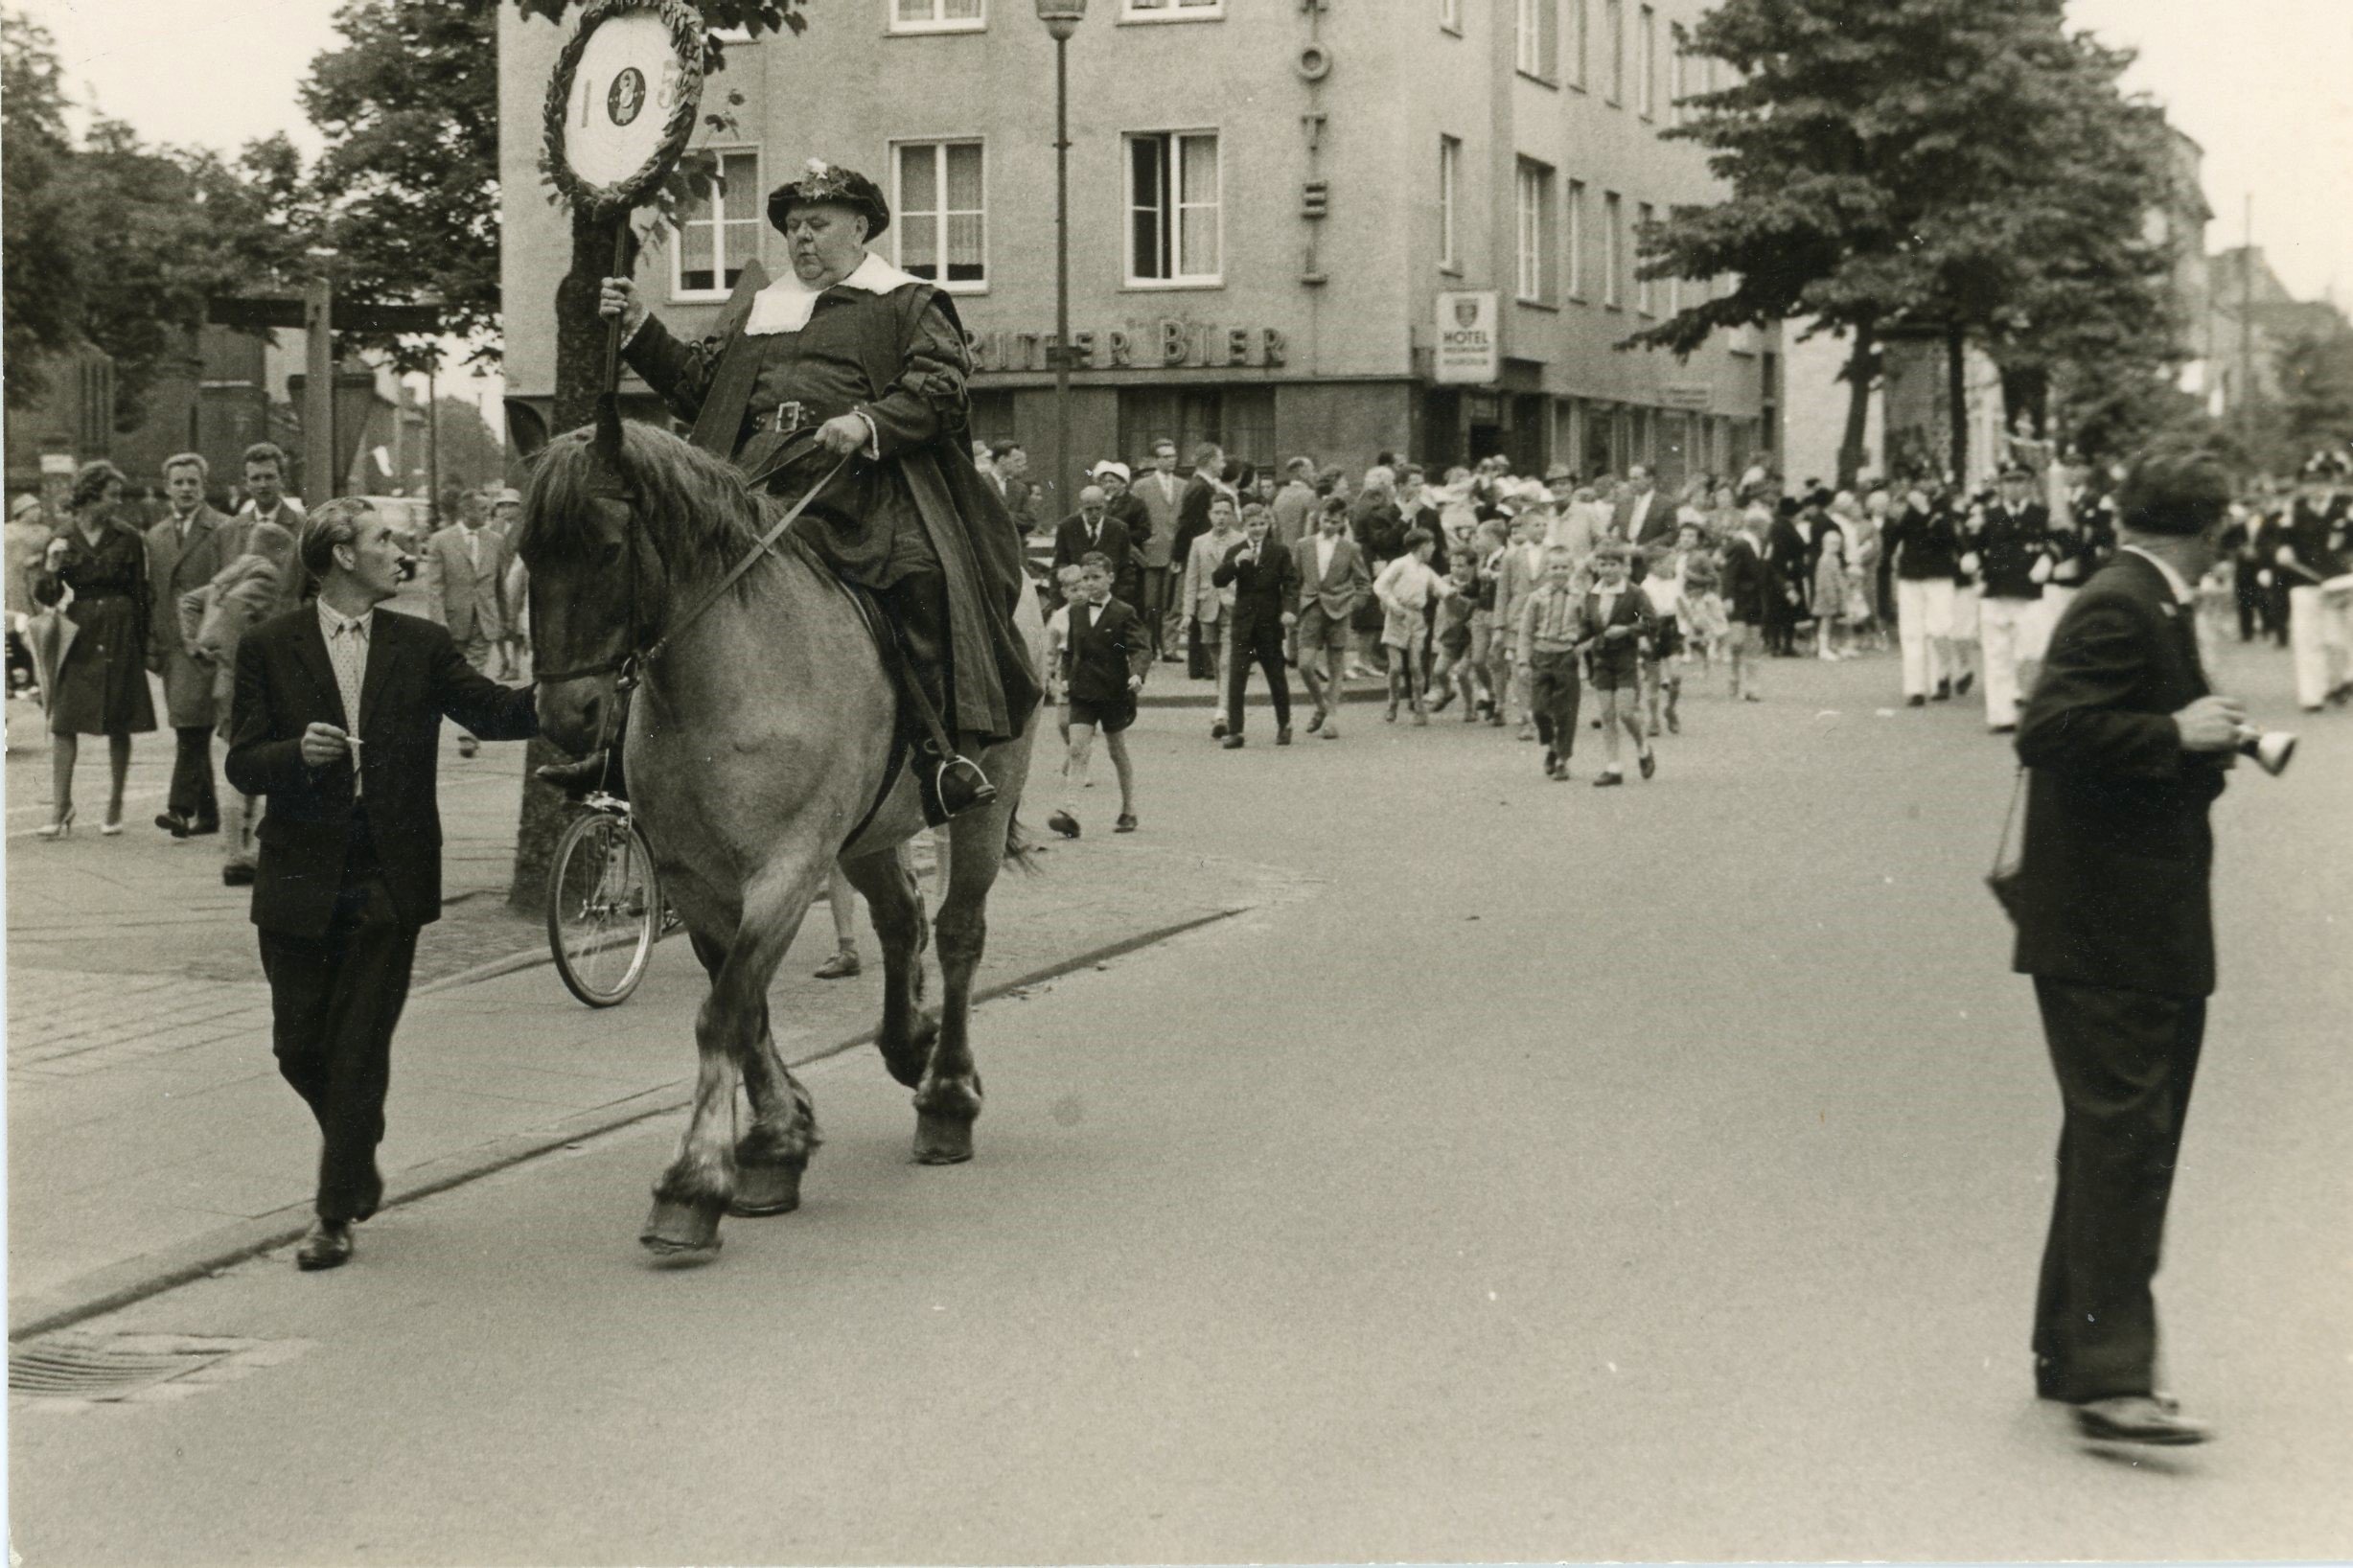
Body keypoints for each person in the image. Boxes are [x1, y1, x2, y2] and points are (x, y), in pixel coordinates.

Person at [594, 158, 1037, 817]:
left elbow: (941, 388)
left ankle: (943, 754)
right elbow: (697, 388)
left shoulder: (908, 301)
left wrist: (869, 421)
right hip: (751, 488)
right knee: (653, 576)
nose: (801, 237)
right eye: (792, 226)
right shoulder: (761, 311)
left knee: (919, 577)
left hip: (863, 492)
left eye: (817, 224)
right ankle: (614, 751)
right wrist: (637, 327)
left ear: (860, 227)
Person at [225, 498, 539, 1270]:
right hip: (298, 869)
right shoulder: (272, 645)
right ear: (339, 556)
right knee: (296, 1045)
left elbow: (495, 714)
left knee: (360, 1044)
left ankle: (332, 1214)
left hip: (387, 871)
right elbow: (241, 760)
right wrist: (297, 752)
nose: (402, 553)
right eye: (384, 540)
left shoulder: (422, 644)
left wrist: (572, 686)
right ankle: (357, 1146)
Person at [2007, 447, 2244, 1445]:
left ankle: (2073, 1350)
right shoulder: (2122, 601)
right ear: (2210, 530)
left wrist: (2201, 739)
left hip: (2117, 922)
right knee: (2126, 1142)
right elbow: (2050, 728)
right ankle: (2110, 1379)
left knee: (2107, 1137)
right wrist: (2174, 736)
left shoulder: (2142, 600)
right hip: (2114, 929)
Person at [29, 461, 157, 839]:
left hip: (120, 626)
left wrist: (145, 642)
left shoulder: (128, 537)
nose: (118, 502)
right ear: (90, 495)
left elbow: (140, 592)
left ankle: (115, 803)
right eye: (112, 495)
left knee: (120, 719)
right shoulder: (63, 534)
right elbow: (46, 598)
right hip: (80, 631)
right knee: (65, 721)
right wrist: (50, 569)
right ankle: (59, 806)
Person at [143, 452, 244, 837]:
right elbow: (153, 593)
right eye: (179, 482)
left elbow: (230, 585)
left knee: (191, 727)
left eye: (193, 482)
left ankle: (179, 808)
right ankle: (209, 814)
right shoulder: (155, 536)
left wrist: (216, 636)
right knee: (192, 725)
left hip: (208, 642)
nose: (186, 489)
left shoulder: (223, 528)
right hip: (173, 645)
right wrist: (154, 642)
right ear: (167, 487)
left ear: (203, 486)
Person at [1047, 554, 1148, 838]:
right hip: (1082, 691)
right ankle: (1070, 812)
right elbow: (1070, 651)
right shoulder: (1075, 612)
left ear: (1110, 578)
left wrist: (1137, 674)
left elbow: (1140, 647)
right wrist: (1065, 677)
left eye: (1096, 578)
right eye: (1085, 579)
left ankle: (1129, 810)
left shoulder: (1123, 611)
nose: (1090, 584)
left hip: (1114, 691)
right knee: (1077, 749)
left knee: (1117, 750)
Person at [425, 490, 519, 758]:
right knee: (453, 676)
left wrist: (505, 619)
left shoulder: (496, 541)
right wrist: (438, 622)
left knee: (476, 673)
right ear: (466, 512)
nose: (489, 514)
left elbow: (500, 584)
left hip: (485, 619)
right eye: (483, 509)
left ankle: (469, 730)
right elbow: (435, 587)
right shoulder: (440, 541)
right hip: (453, 620)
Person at [1972, 464, 2055, 732]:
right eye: (2009, 481)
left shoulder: (2042, 515)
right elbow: (1972, 543)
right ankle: (2001, 715)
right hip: (1996, 591)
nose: (2014, 487)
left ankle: (2034, 709)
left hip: (2030, 594)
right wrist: (1970, 558)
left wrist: (2049, 558)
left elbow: (2064, 539)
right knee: (1997, 655)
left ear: (2030, 484)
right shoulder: (1989, 515)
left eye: (2020, 481)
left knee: (2032, 652)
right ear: (2001, 486)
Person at [1211, 502, 1300, 748]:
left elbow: (1291, 583)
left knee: (1276, 676)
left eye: (1262, 524)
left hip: (1270, 623)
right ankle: (1236, 731)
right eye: (1252, 525)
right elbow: (1218, 579)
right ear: (1244, 526)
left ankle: (1285, 724)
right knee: (1237, 678)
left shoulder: (1279, 551)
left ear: (1268, 524)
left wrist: (1289, 610)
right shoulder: (1236, 550)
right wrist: (1235, 563)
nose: (1258, 529)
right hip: (1243, 623)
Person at [1576, 542, 1658, 786]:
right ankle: (1613, 767)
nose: (1608, 570)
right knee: (1607, 714)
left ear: (1624, 567)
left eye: (1613, 565)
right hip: (1601, 659)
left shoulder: (1633, 593)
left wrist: (1627, 630)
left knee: (1625, 712)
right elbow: (1587, 626)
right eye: (1603, 565)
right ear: (1596, 567)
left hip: (1625, 658)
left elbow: (1651, 622)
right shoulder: (1593, 594)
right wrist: (1577, 641)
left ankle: (1643, 746)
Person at [1291, 496, 1372, 740]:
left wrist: (1353, 605)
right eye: (1325, 520)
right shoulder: (1303, 545)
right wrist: (1291, 609)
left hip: (1339, 610)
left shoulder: (1351, 548)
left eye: (1334, 522)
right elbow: (1294, 581)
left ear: (1342, 523)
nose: (1328, 526)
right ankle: (1321, 705)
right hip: (1311, 608)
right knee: (1305, 664)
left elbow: (1363, 583)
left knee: (1336, 665)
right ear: (1318, 519)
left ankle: (1332, 716)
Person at [1887, 482, 1961, 706]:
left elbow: (1950, 539)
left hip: (1939, 576)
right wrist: (1896, 518)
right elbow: (1892, 540)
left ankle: (1942, 676)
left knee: (1940, 629)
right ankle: (1915, 688)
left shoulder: (1944, 511)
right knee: (1911, 633)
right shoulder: (1906, 514)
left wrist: (1927, 512)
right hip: (1911, 576)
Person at [1514, 546, 1585, 780]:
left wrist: (1581, 653)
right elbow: (1525, 631)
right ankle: (1551, 745)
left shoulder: (1579, 597)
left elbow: (1588, 628)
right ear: (1546, 570)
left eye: (1564, 567)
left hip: (1566, 655)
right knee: (1539, 709)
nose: (1559, 572)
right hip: (1541, 654)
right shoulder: (1537, 598)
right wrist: (1523, 661)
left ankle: (1563, 759)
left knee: (1566, 711)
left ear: (1572, 569)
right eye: (1554, 567)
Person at [1373, 529, 1453, 725]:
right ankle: (1392, 702)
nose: (1433, 548)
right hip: (1397, 616)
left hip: (1417, 618)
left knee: (1416, 666)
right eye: (1430, 544)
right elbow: (1380, 585)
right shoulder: (1400, 564)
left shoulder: (1426, 570)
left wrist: (1455, 593)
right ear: (1421, 546)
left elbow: (1441, 588)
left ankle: (1418, 706)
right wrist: (1393, 605)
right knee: (1396, 667)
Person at [1132, 437, 1186, 658]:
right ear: (1155, 460)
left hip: (1176, 551)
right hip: (1151, 552)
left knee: (1173, 603)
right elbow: (1136, 517)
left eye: (1173, 456)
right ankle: (1149, 646)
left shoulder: (1184, 485)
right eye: (1165, 457)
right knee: (1150, 603)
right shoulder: (1141, 486)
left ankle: (1170, 648)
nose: (1170, 461)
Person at [1718, 504, 1772, 703]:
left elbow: (1767, 571)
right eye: (1766, 525)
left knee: (1754, 642)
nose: (1768, 529)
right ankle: (1734, 676)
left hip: (1756, 600)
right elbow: (1728, 573)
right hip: (1740, 599)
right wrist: (1728, 597)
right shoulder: (1740, 544)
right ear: (1758, 525)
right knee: (1737, 642)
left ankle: (1752, 685)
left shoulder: (1763, 545)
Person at [1050, 484, 1136, 605]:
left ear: (1105, 505)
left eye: (1098, 508)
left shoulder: (1119, 529)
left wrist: (1119, 601)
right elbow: (1059, 565)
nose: (1094, 513)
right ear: (1081, 507)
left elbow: (1126, 569)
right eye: (1089, 509)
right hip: (1077, 600)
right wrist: (1058, 603)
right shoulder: (1067, 527)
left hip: (1111, 600)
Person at [8, 492, 53, 703]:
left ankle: (43, 680)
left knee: (42, 632)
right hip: (15, 587)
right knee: (18, 634)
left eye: (38, 508)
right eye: (32, 508)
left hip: (40, 586)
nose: (38, 512)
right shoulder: (7, 532)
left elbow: (52, 555)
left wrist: (40, 560)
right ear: (21, 512)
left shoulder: (45, 532)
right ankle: (18, 681)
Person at [1094, 461, 1153, 609]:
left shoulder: (1136, 504)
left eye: (1112, 481)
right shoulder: (1102, 505)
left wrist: (1121, 537)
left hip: (1130, 561)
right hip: (1107, 558)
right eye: (1105, 482)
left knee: (1129, 600)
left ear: (1123, 483)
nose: (1107, 485)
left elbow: (1145, 531)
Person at [1813, 525, 1852, 662]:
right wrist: (1832, 597)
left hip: (1835, 595)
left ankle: (1832, 646)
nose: (1836, 546)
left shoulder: (1834, 558)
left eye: (1838, 543)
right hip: (1826, 596)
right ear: (1825, 544)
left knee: (1833, 621)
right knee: (1826, 621)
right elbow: (1826, 581)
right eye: (1832, 543)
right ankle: (1823, 649)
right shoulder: (1825, 560)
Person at [1269, 456, 1318, 550]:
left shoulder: (1279, 497)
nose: (1314, 475)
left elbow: (1274, 529)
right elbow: (1310, 529)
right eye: (1312, 470)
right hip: (1303, 554)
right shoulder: (1311, 495)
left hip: (1284, 554)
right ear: (1302, 472)